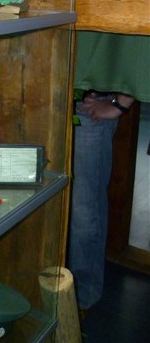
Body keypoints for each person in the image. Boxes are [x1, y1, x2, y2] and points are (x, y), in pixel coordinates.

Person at [68, 90, 134, 313]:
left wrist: (120, 104)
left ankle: (81, 296)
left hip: (87, 107)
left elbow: (139, 69)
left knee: (84, 208)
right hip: (52, 100)